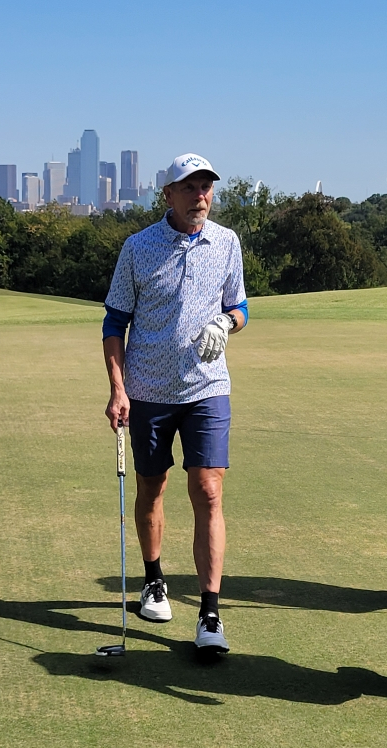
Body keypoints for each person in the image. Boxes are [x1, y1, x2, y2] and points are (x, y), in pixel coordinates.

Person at [102, 152, 248, 655]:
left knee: (208, 490)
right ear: (167, 194)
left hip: (207, 387)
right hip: (148, 391)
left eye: (206, 187)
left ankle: (209, 613)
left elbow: (240, 305)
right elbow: (113, 323)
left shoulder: (226, 242)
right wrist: (119, 389)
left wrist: (225, 324)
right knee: (153, 487)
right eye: (189, 187)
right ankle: (154, 580)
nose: (200, 196)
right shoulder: (138, 247)